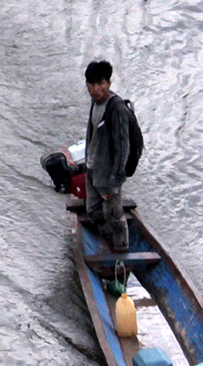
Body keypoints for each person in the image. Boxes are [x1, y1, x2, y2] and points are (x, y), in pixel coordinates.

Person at [43, 60, 143, 252]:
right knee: (93, 210)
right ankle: (105, 240)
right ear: (87, 84)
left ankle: (121, 252)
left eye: (101, 83)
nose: (96, 89)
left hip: (109, 174)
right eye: (92, 84)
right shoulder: (95, 104)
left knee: (113, 214)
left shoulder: (118, 110)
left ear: (109, 84)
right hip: (93, 169)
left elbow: (123, 149)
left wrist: (114, 182)